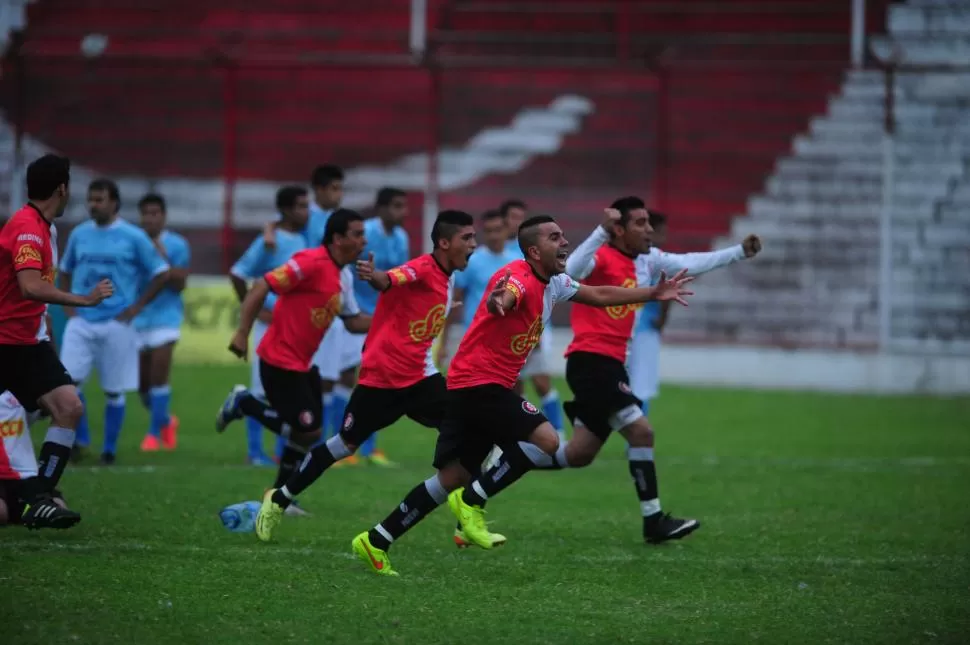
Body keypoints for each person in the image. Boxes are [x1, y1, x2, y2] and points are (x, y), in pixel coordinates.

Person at [349, 215, 694, 576]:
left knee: (451, 477)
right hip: (480, 383)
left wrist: (651, 293)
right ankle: (472, 503)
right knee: (545, 438)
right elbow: (507, 293)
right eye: (554, 237)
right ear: (533, 250)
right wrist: (502, 301)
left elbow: (600, 294)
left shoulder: (556, 282)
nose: (564, 242)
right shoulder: (518, 277)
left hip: (474, 386)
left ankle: (376, 540)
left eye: (563, 235)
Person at [468, 199, 762, 545]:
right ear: (619, 230)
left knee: (577, 454)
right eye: (640, 223)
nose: (649, 230)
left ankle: (485, 482)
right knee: (641, 432)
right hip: (592, 362)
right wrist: (599, 232)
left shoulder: (649, 260)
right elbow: (571, 270)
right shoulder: (601, 256)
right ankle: (653, 520)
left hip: (610, 365)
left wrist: (739, 252)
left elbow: (690, 262)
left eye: (648, 222)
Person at [253, 210, 478, 542]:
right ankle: (279, 499)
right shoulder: (423, 267)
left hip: (420, 379)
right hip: (381, 380)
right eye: (467, 238)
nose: (474, 245)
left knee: (472, 428)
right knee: (343, 446)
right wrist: (375, 275)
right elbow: (391, 279)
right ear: (444, 243)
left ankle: (466, 512)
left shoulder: (449, 277)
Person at [215, 209, 371, 509]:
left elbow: (353, 321)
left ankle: (279, 499)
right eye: (357, 234)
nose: (364, 241)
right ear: (338, 238)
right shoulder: (309, 262)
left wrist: (394, 320)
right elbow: (262, 285)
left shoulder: (344, 277)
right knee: (309, 431)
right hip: (278, 359)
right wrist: (242, 332)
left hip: (302, 363)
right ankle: (245, 402)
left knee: (305, 435)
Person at [0, 153, 113, 528]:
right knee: (12, 418)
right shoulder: (28, 228)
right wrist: (84, 299)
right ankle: (32, 497)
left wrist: (45, 337)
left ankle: (40, 497)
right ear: (62, 189)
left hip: (27, 342)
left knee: (69, 406)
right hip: (6, 343)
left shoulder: (44, 227)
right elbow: (31, 286)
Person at [60, 178, 171, 465]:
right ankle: (80, 440)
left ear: (115, 203)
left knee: (113, 389)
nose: (93, 205)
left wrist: (136, 308)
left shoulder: (134, 237)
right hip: (82, 319)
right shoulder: (79, 234)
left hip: (117, 322)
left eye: (99, 199)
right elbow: (65, 270)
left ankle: (108, 449)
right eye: (91, 199)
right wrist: (70, 305)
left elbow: (162, 272)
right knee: (67, 385)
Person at [264, 165, 345, 461]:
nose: (339, 194)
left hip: (329, 302)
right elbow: (277, 223)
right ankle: (295, 445)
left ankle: (316, 445)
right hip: (305, 302)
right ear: (320, 190)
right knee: (303, 381)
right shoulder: (306, 214)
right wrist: (269, 232)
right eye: (334, 188)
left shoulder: (339, 219)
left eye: (340, 188)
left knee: (326, 380)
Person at [230, 186, 311, 466]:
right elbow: (238, 273)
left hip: (294, 327)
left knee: (288, 392)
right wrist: (252, 311)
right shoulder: (269, 241)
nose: (306, 211)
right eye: (301, 206)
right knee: (260, 388)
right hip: (270, 327)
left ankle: (280, 451)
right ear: (287, 210)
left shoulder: (302, 238)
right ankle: (254, 452)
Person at [334, 186, 411, 468]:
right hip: (352, 314)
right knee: (344, 377)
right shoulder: (362, 233)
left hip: (381, 317)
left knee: (375, 378)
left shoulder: (401, 236)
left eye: (404, 206)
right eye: (396, 206)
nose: (402, 212)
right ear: (380, 208)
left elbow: (398, 276)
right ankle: (342, 445)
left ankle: (370, 448)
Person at [498, 199, 566, 435]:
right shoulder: (501, 252)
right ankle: (523, 433)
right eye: (513, 217)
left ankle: (558, 432)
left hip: (533, 326)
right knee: (514, 386)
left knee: (541, 381)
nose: (517, 221)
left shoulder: (532, 250)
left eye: (521, 216)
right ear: (504, 220)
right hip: (508, 329)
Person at [135, 193, 190, 452]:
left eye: (155, 213)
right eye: (145, 213)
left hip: (165, 318)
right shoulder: (132, 242)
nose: (150, 218)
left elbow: (180, 283)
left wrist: (161, 257)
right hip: (136, 318)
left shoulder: (177, 244)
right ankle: (167, 420)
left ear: (164, 216)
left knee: (159, 377)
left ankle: (152, 435)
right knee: (141, 385)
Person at [0, 390, 69, 526]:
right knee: (1, 513)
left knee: (59, 508)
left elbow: (49, 407)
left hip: (24, 474)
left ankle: (23, 508)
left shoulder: (14, 393)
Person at [627, 211, 670, 413]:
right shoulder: (656, 259)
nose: (663, 237)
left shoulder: (630, 256)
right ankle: (637, 440)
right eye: (660, 232)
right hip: (644, 329)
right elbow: (668, 292)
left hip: (624, 328)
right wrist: (662, 320)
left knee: (626, 383)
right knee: (641, 385)